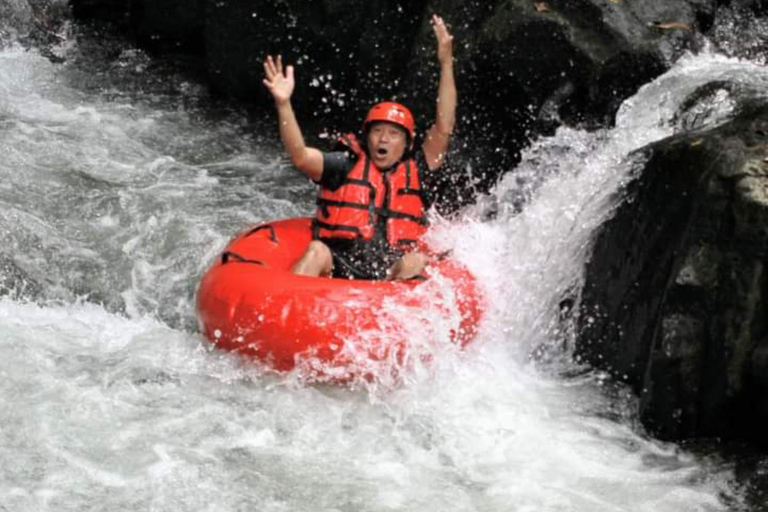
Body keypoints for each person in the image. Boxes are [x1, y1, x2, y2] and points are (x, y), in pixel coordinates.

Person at [262, 14, 456, 280]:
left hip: (390, 271)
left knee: (414, 262)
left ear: (407, 142)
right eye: (377, 131)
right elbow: (300, 156)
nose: (383, 139)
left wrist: (446, 63)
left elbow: (444, 127)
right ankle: (283, 313)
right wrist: (283, 104)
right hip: (340, 263)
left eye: (393, 134)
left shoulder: (418, 168)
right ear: (367, 137)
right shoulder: (345, 162)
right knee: (316, 250)